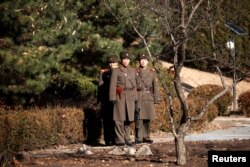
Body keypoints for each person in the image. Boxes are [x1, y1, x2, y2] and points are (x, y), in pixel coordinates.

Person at [109, 51, 137, 146]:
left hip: (129, 97)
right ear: (121, 60)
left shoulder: (132, 70)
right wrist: (112, 97)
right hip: (120, 97)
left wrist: (135, 97)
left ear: (130, 60)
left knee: (128, 119)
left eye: (127, 59)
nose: (126, 61)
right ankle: (119, 140)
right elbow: (112, 85)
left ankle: (127, 138)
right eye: (124, 59)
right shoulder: (116, 70)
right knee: (119, 119)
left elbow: (134, 85)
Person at [135, 53, 160, 144]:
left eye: (145, 60)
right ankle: (138, 137)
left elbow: (155, 86)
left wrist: (156, 99)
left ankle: (146, 136)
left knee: (147, 119)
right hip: (139, 96)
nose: (143, 61)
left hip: (148, 97)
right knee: (139, 119)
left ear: (148, 61)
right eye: (141, 60)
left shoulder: (152, 72)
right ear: (139, 61)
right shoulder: (135, 71)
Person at [98, 55, 119, 146]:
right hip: (106, 100)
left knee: (116, 120)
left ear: (117, 63)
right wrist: (100, 99)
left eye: (113, 63)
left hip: (117, 99)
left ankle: (116, 139)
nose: (111, 65)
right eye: (110, 63)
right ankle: (108, 140)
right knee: (107, 121)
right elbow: (100, 87)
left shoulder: (120, 72)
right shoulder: (104, 73)